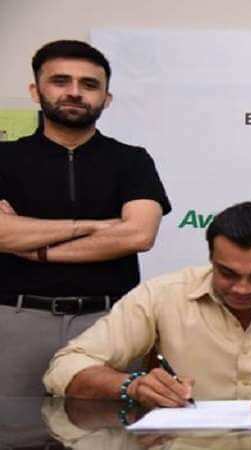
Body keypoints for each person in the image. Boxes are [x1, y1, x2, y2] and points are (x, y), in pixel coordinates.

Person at [43, 201, 251, 422]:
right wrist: (131, 386)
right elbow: (66, 367)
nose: (242, 288)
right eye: (227, 273)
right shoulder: (163, 293)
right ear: (211, 258)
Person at [0, 40, 171, 396]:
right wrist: (94, 225)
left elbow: (139, 235)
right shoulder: (5, 158)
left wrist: (36, 247)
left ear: (106, 98)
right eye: (60, 81)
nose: (75, 92)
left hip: (108, 322)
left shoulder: (132, 160)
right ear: (35, 91)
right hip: (15, 318)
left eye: (89, 84)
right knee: (12, 423)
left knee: (110, 423)